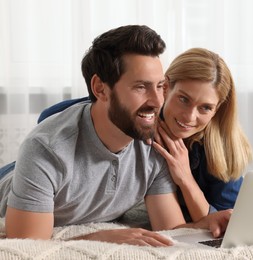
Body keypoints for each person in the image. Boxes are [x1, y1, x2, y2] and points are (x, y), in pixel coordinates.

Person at [0, 25, 231, 246]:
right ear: (100, 88)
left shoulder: (155, 141)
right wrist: (98, 238)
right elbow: (28, 246)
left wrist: (203, 224)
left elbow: (170, 231)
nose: (157, 101)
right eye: (141, 87)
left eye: (160, 86)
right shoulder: (47, 148)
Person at [152, 48, 253, 222]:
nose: (190, 117)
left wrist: (185, 178)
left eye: (205, 107)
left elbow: (222, 224)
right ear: (166, 88)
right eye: (183, 99)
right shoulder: (138, 122)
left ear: (217, 109)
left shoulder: (221, 145)